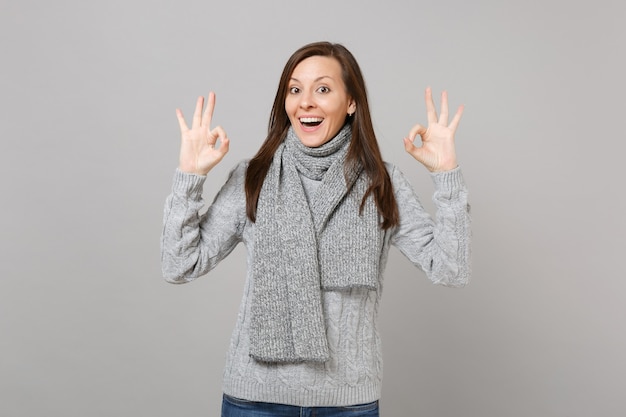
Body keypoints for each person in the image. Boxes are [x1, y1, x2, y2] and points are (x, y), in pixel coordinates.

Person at [161, 41, 470, 417]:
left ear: (351, 102)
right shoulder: (252, 178)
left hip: (347, 404)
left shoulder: (380, 183)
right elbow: (179, 265)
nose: (305, 102)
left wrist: (446, 176)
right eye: (295, 89)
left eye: (323, 89)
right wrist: (190, 178)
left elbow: (450, 269)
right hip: (255, 400)